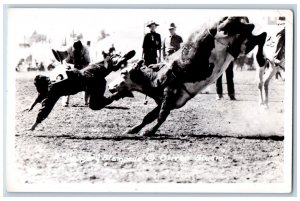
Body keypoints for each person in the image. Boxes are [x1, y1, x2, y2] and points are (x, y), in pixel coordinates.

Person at [27, 50, 136, 131]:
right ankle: (113, 59)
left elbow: (46, 107)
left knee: (95, 105)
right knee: (105, 67)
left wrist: (34, 125)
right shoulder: (53, 74)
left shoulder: (53, 89)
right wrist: (32, 105)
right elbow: (42, 94)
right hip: (90, 70)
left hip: (92, 83)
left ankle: (120, 94)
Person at [52, 40, 91, 106]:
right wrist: (71, 67)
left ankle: (86, 101)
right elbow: (64, 61)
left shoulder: (86, 49)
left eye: (78, 49)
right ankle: (65, 102)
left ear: (81, 48)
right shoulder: (68, 49)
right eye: (75, 49)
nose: (76, 50)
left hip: (82, 64)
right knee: (67, 82)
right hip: (70, 64)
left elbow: (87, 62)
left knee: (86, 81)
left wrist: (82, 68)